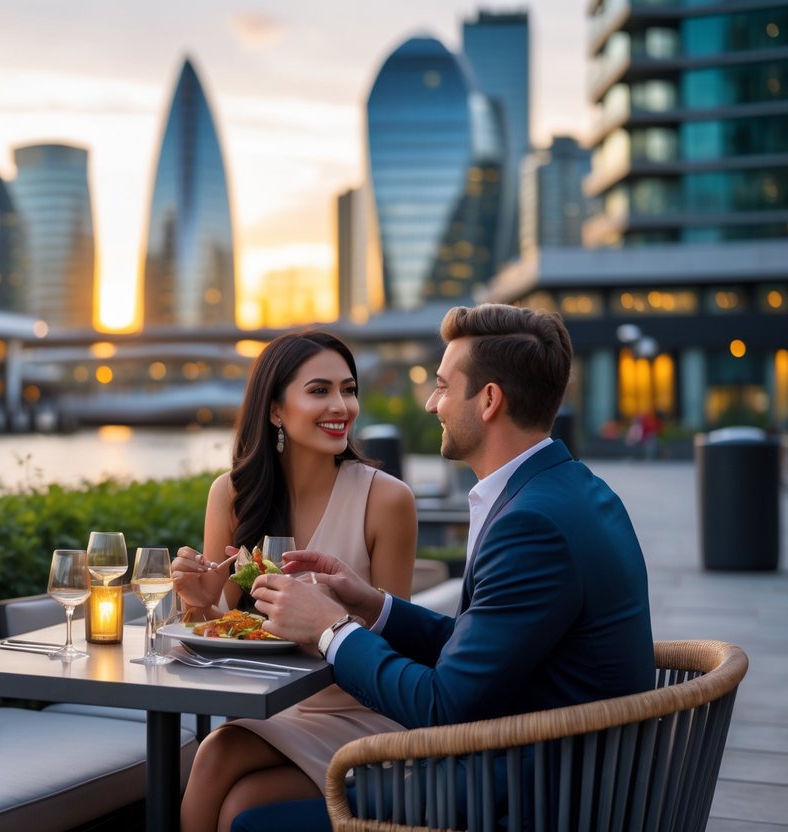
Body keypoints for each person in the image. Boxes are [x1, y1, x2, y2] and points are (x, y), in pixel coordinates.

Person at [234, 304, 655, 831]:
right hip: (565, 771)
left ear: (489, 400)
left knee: (249, 821)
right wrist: (373, 604)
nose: (432, 403)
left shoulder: (531, 525)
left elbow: (443, 706)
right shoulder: (572, 491)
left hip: (529, 800)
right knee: (239, 791)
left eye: (441, 386)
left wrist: (330, 629)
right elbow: (483, 645)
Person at [172, 329, 417, 832]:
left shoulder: (387, 500)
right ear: (276, 411)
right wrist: (198, 607)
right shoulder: (233, 495)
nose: (342, 405)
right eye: (320, 390)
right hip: (278, 709)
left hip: (365, 715)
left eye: (348, 389)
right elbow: (223, 634)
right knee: (220, 763)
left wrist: (324, 621)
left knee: (234, 791)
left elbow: (399, 638)